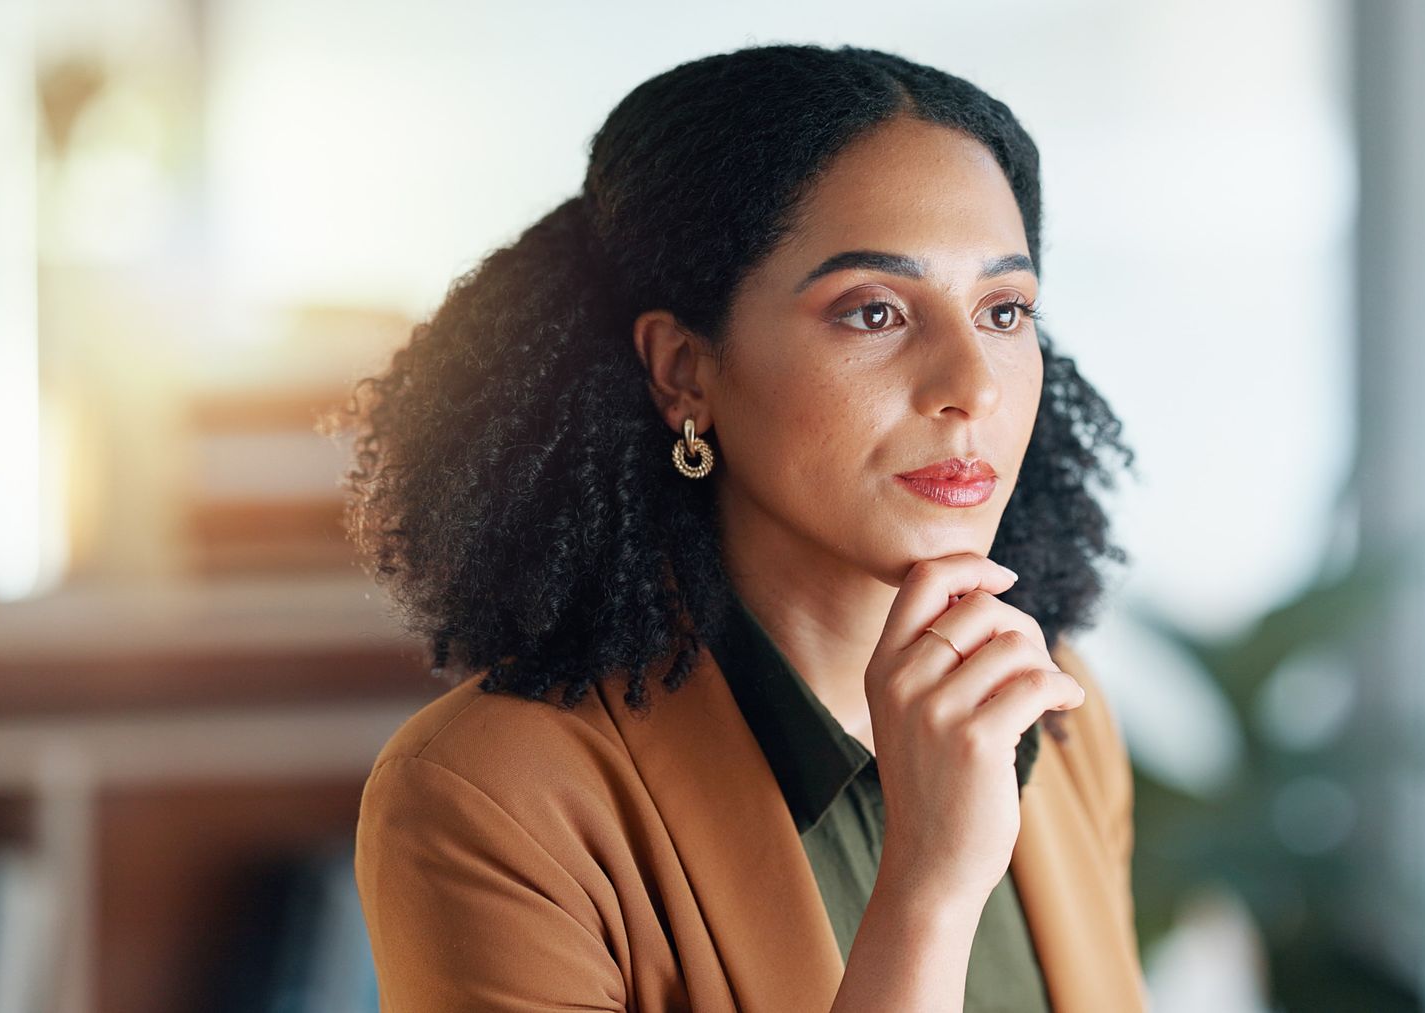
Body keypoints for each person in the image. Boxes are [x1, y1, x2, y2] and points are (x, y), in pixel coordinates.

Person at [331, 42, 1145, 1012]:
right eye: (875, 311)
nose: (971, 383)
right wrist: (928, 888)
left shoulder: (1054, 712)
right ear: (684, 368)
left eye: (1004, 311)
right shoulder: (489, 798)